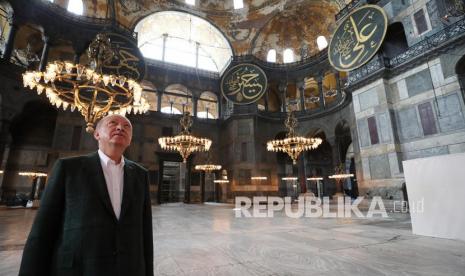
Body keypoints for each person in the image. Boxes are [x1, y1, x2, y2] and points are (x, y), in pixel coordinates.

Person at [19, 114, 153, 276]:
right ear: (97, 134)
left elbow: (145, 232)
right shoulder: (68, 168)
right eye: (113, 123)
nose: (120, 128)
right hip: (79, 268)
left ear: (130, 139)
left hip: (129, 268)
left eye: (127, 127)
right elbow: (42, 231)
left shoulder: (140, 175)